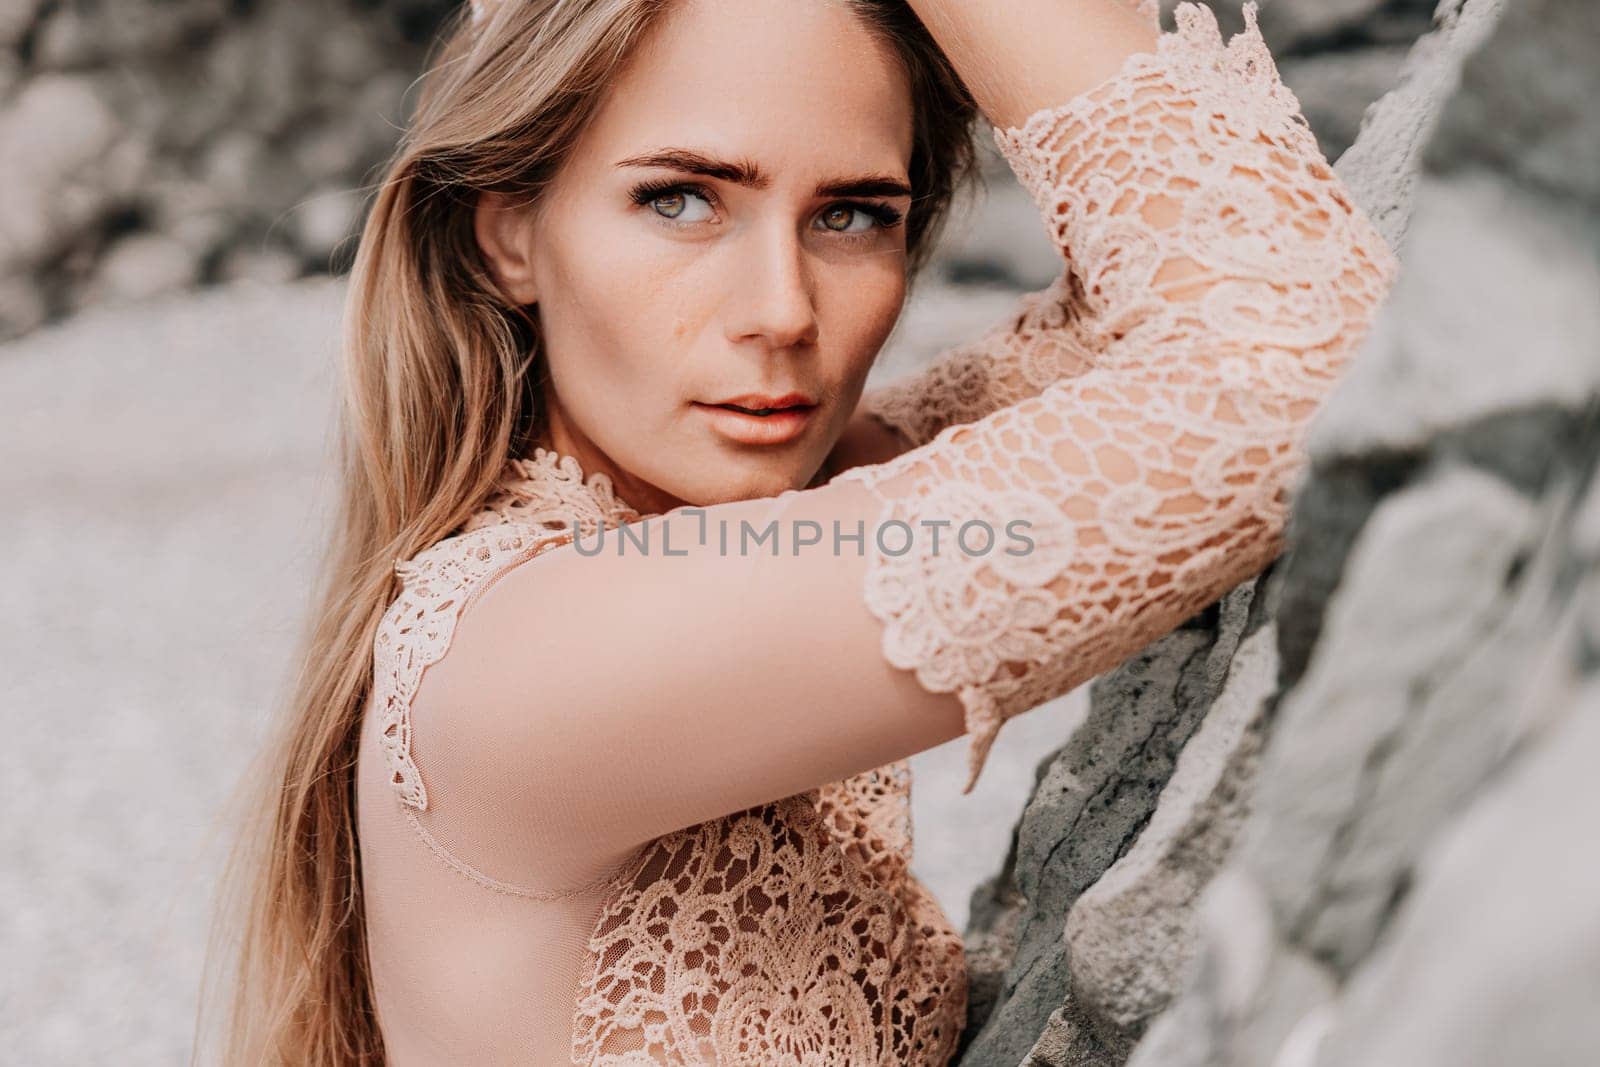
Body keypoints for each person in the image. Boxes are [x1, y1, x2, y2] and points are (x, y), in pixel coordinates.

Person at [209, 0, 1399, 1062]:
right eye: (679, 199)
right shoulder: (524, 656)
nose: (781, 312)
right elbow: (1296, 360)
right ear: (507, 234)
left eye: (850, 215)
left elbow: (1151, 334)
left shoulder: (753, 522)